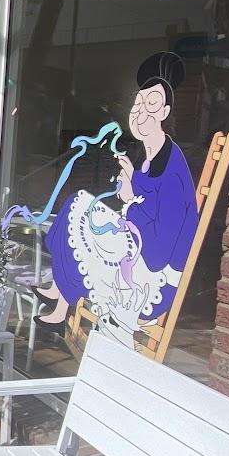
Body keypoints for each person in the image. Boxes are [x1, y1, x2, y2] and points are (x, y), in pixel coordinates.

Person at [34, 52, 199, 342]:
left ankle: (61, 302)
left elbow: (161, 246)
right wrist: (131, 185)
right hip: (135, 251)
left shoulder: (172, 167)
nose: (141, 110)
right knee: (78, 202)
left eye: (152, 103)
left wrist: (130, 198)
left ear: (164, 112)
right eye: (138, 102)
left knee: (79, 205)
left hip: (151, 279)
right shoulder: (148, 159)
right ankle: (60, 295)